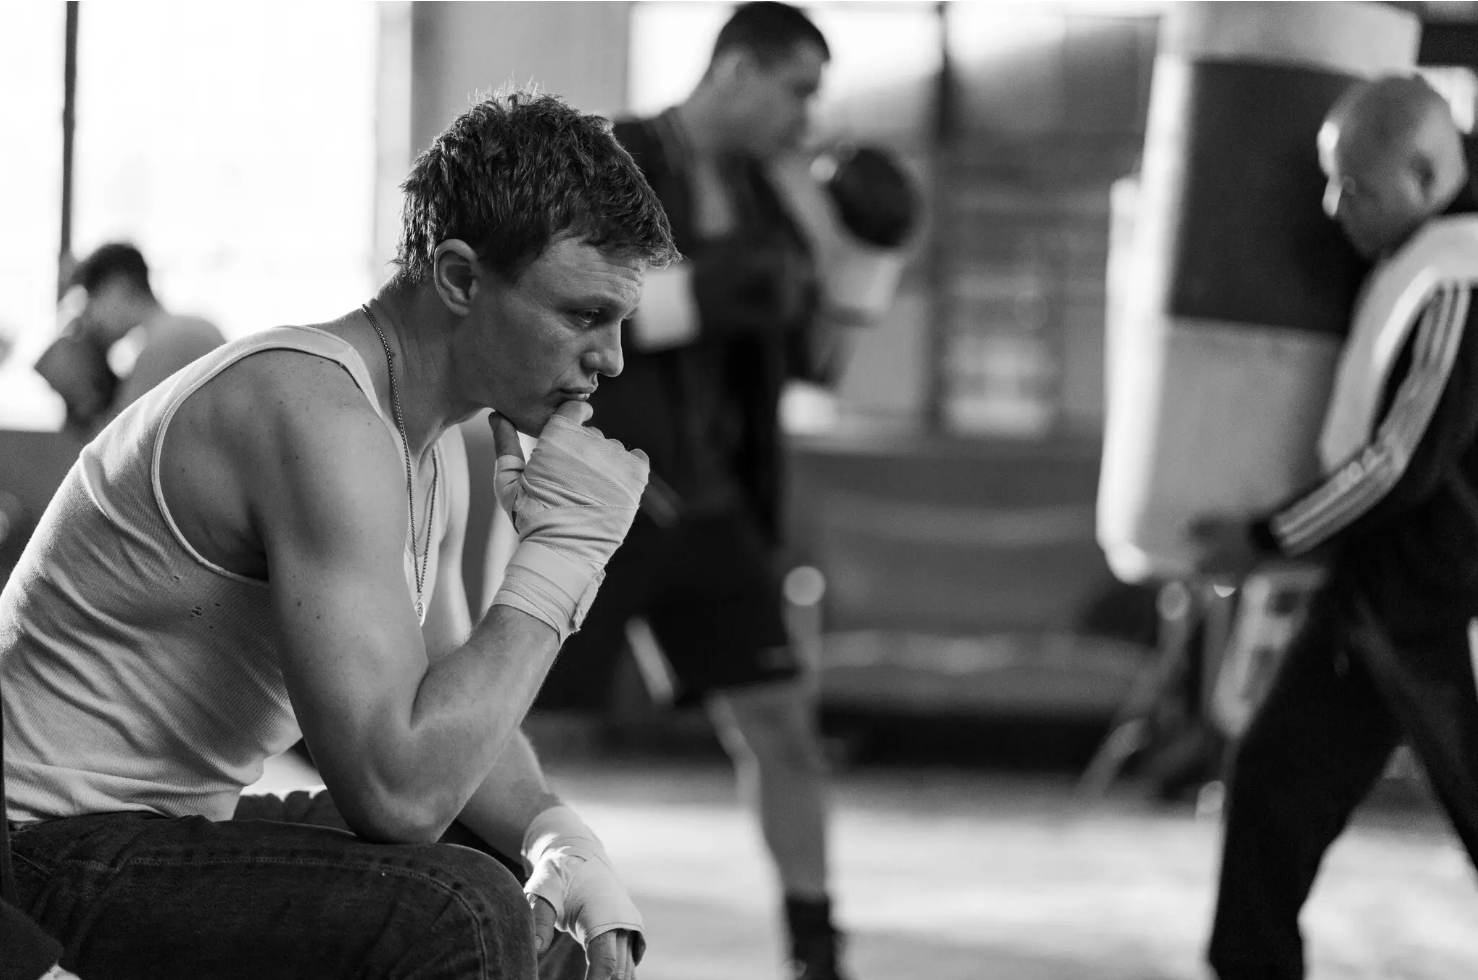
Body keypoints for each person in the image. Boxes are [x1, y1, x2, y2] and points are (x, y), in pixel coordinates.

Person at [0, 90, 677, 980]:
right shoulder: (321, 418)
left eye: (619, 322)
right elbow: (397, 792)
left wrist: (560, 836)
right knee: (462, 911)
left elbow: (445, 707)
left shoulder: (425, 443)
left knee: (518, 874)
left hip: (157, 830)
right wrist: (564, 560)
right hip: (37, 857)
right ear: (460, 280)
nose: (611, 359)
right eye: (584, 315)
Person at [534, 5, 847, 979]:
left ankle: (816, 950)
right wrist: (703, 291)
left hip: (715, 504)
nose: (803, 118)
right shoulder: (610, 155)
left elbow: (820, 363)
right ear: (736, 71)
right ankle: (492, 922)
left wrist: (841, 246)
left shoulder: (767, 194)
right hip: (603, 490)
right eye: (795, 91)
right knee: (534, 726)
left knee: (782, 724)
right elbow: (548, 298)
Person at [1192, 75, 1478, 980]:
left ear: (1425, 174)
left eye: (1354, 186)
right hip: (1378, 601)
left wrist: (1267, 538)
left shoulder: (1457, 277)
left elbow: (1397, 462)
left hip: (1441, 607)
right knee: (1272, 787)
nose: (1331, 206)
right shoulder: (1413, 261)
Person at [36, 243, 225, 438]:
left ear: (117, 288)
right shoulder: (188, 329)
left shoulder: (167, 343)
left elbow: (122, 444)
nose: (91, 315)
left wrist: (81, 403)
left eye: (93, 298)